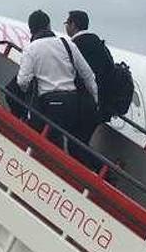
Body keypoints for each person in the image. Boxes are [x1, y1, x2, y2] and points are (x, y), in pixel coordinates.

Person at [16, 10, 99, 154]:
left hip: (51, 104)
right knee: (77, 145)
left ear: (31, 29)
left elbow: (22, 81)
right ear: (48, 26)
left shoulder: (31, 49)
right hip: (73, 103)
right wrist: (94, 98)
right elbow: (88, 75)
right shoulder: (66, 43)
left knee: (52, 147)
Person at [65, 10, 114, 127]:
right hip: (99, 108)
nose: (66, 27)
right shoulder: (100, 46)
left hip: (80, 105)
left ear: (73, 25)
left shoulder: (73, 46)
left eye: (67, 23)